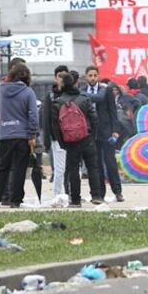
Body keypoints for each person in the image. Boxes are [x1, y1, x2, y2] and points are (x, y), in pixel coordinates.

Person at [0, 63, 39, 209]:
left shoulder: (1, 91)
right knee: (19, 168)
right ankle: (16, 200)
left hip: (5, 133)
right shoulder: (28, 92)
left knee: (2, 167)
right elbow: (33, 115)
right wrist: (32, 134)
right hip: (22, 135)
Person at [51, 72, 104, 207]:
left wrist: (62, 143)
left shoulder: (58, 102)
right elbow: (95, 118)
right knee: (93, 167)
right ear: (76, 83)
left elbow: (55, 126)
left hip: (70, 141)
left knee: (73, 169)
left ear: (62, 84)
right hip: (87, 137)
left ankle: (75, 199)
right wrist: (93, 135)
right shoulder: (85, 98)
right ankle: (96, 195)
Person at [84, 65, 123, 203]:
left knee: (110, 162)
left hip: (106, 132)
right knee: (96, 165)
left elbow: (113, 112)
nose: (93, 78)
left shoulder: (105, 90)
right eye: (90, 75)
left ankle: (117, 191)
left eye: (95, 75)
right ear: (86, 77)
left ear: (98, 76)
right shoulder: (83, 91)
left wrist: (115, 130)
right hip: (90, 133)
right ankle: (100, 193)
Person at [42, 67, 69, 199]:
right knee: (60, 170)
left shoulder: (73, 94)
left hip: (72, 136)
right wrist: (46, 139)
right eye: (59, 75)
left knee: (73, 168)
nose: (62, 78)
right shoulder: (51, 95)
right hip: (56, 137)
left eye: (65, 76)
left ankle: (70, 193)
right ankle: (58, 194)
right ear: (55, 78)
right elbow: (46, 118)